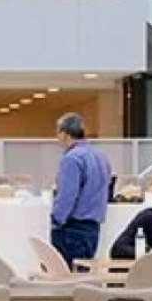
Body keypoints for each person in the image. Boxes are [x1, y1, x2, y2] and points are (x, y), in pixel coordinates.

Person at [50, 112, 112, 270]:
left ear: (64, 134)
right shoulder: (100, 156)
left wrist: (57, 219)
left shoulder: (71, 158)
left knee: (66, 280)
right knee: (84, 276)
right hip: (93, 227)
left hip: (72, 228)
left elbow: (67, 195)